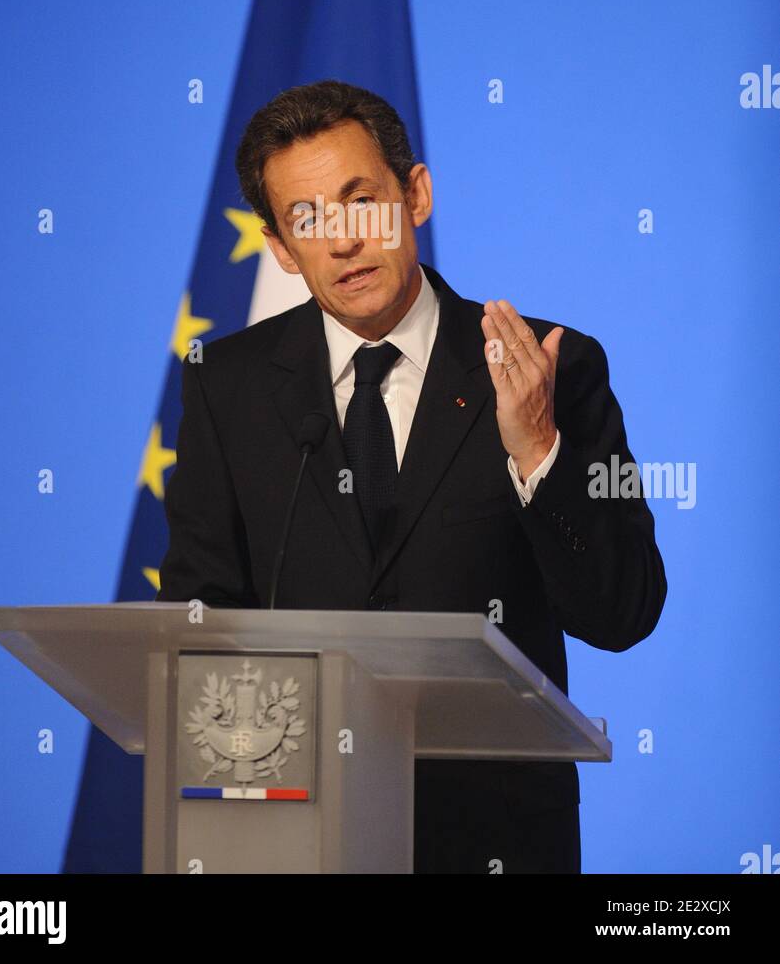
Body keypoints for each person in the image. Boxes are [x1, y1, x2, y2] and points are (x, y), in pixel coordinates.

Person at [156, 78, 667, 873]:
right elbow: (199, 617)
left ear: (414, 196)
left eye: (360, 201)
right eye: (308, 219)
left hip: (498, 843)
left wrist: (536, 450)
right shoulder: (230, 387)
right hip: (293, 841)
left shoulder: (547, 366)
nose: (342, 241)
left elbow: (622, 612)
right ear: (281, 248)